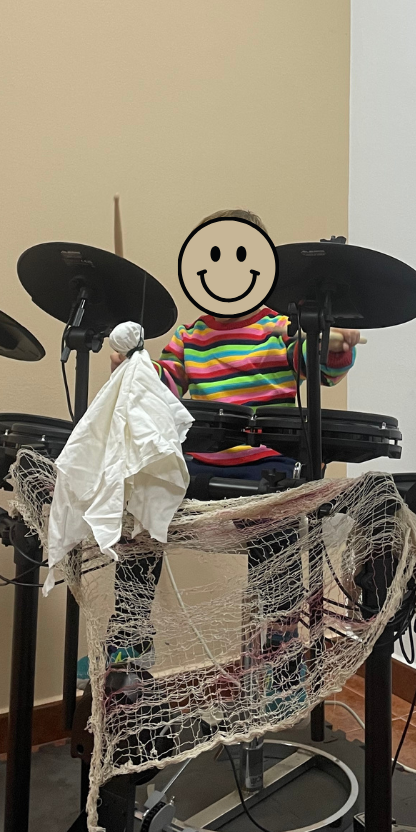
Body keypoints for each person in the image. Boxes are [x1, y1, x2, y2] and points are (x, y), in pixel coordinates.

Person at [77, 209, 361, 691]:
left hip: (266, 465)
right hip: (200, 466)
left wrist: (335, 345)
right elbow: (164, 386)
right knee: (142, 507)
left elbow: (323, 369)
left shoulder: (282, 328)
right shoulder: (191, 336)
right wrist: (132, 367)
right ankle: (129, 644)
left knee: (278, 532)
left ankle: (278, 657)